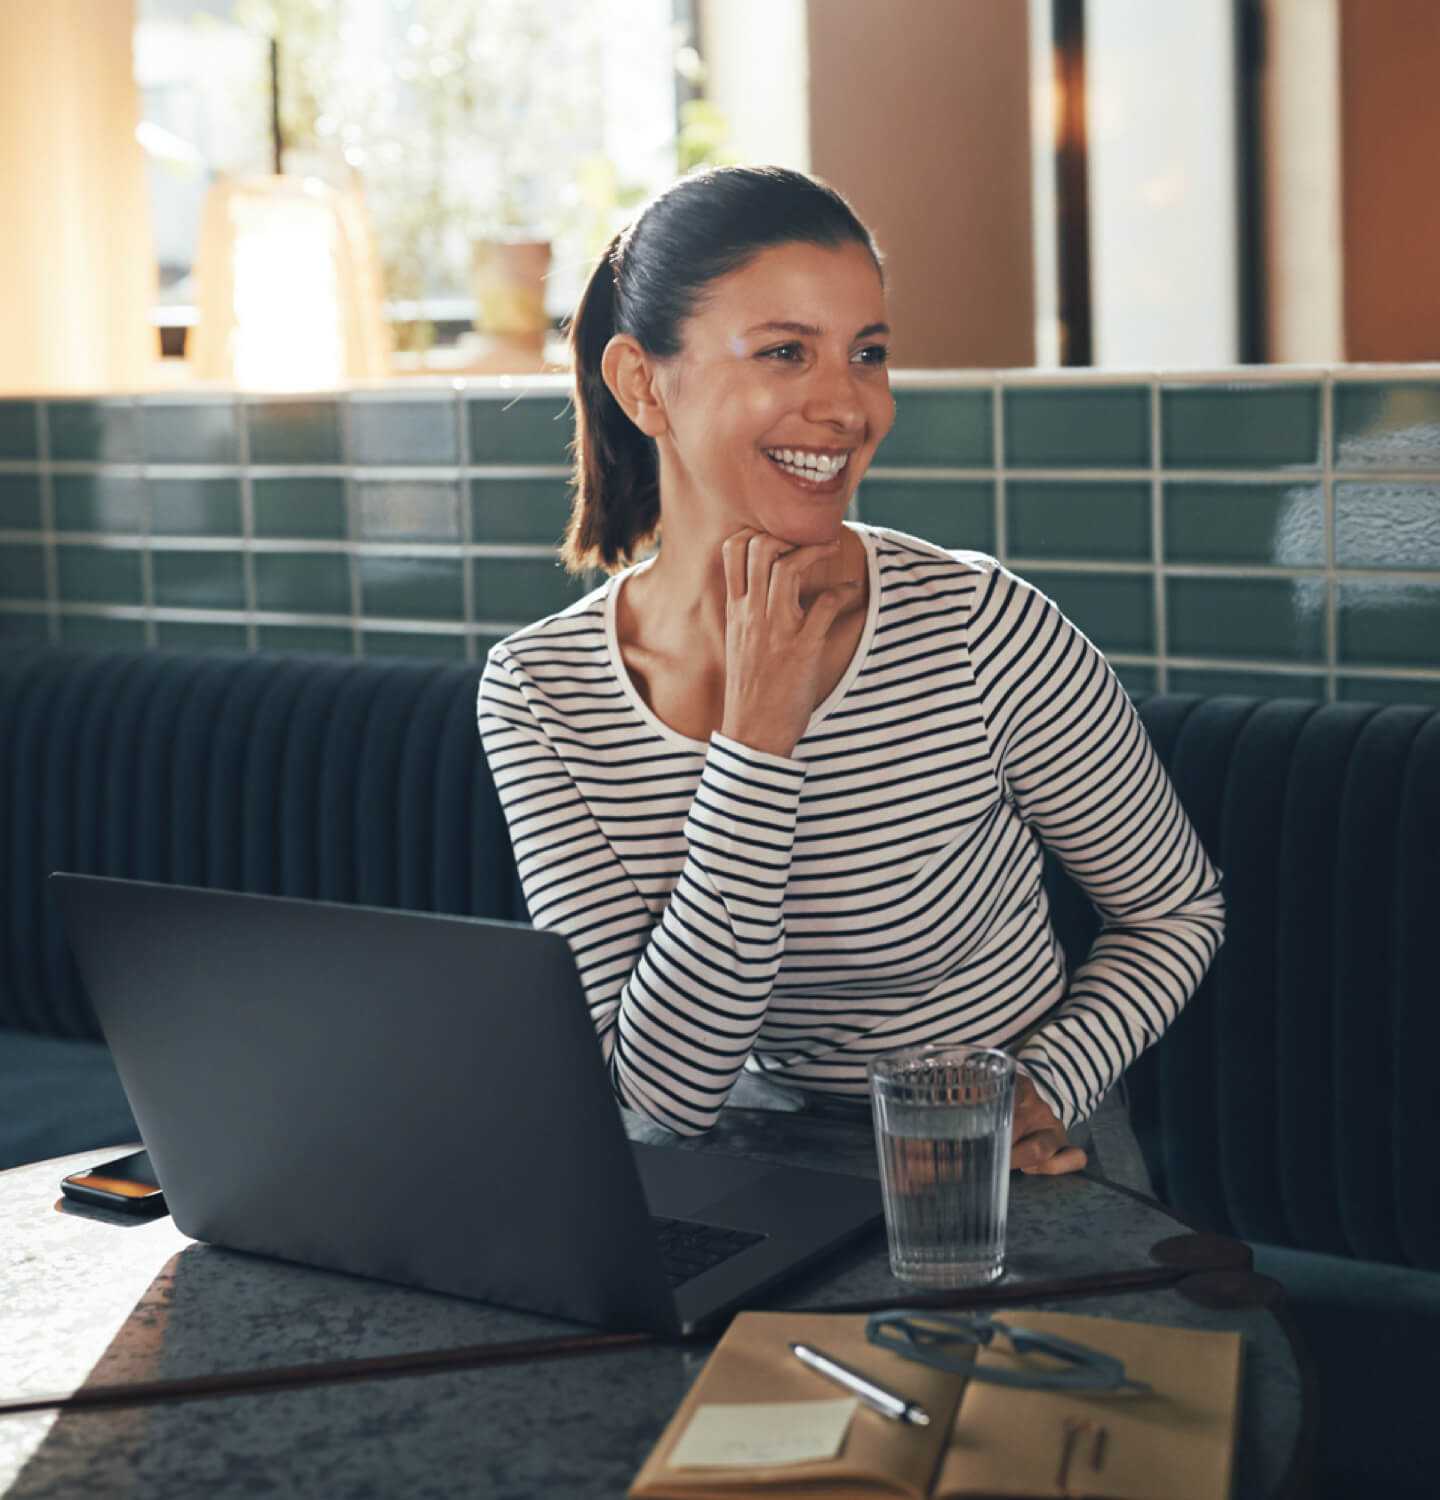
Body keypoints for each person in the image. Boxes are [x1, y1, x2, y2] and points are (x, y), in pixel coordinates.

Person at [477, 165, 1224, 1177]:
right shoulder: (540, 690)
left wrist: (1035, 1089)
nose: (847, 406)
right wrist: (756, 745)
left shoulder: (976, 624)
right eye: (785, 352)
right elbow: (656, 1099)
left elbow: (1173, 909)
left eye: (867, 355)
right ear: (642, 383)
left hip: (1010, 1159)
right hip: (759, 1168)